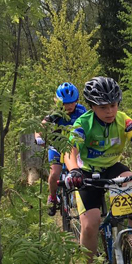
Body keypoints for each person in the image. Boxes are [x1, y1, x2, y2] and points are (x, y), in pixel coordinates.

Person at [62, 76, 132, 260]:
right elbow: (70, 150)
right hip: (87, 172)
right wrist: (74, 171)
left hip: (112, 167)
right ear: (92, 106)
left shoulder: (123, 120)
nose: (110, 111)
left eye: (113, 105)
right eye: (103, 107)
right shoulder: (83, 123)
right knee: (90, 225)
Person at [35, 82, 88, 215]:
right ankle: (52, 197)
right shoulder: (56, 113)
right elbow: (42, 125)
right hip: (57, 146)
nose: (69, 106)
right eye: (65, 103)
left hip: (75, 147)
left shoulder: (82, 111)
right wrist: (38, 137)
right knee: (54, 174)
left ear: (77, 100)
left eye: (72, 102)